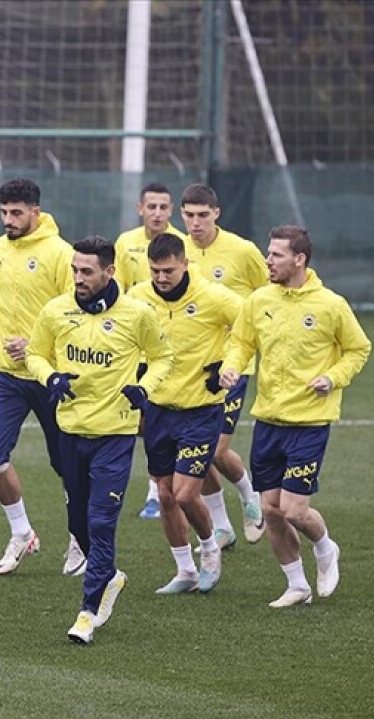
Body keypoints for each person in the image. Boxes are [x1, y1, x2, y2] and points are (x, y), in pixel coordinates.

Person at [25, 236, 173, 644]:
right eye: (75, 270)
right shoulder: (56, 310)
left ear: (109, 272)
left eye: (87, 271)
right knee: (77, 523)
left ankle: (88, 612)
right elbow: (35, 354)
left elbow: (162, 357)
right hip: (70, 431)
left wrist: (144, 388)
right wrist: (50, 377)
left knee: (101, 521)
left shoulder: (137, 314)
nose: (78, 278)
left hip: (115, 435)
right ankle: (109, 575)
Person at [220, 226, 371, 608]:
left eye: (276, 255)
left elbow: (358, 349)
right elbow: (241, 342)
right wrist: (232, 366)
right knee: (271, 510)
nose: (268, 261)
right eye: (268, 253)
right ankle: (297, 585)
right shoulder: (259, 300)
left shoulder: (331, 305)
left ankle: (325, 547)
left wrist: (332, 378)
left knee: (294, 510)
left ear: (299, 259)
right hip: (268, 421)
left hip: (309, 423)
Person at [128, 233, 242, 593]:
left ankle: (210, 548)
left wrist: (229, 363)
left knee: (184, 495)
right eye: (155, 271)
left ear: (185, 264)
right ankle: (185, 571)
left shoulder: (213, 297)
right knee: (164, 495)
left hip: (201, 411)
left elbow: (250, 329)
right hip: (158, 410)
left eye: (169, 271)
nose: (161, 278)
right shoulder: (138, 298)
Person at [0, 178, 79, 577]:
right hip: (8, 376)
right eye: (4, 212)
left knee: (67, 465)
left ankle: (79, 538)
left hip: (51, 376)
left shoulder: (61, 253)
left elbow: (75, 315)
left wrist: (36, 345)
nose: (9, 220)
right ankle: (22, 533)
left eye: (16, 213)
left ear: (36, 212)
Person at [181, 184, 267, 546]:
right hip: (190, 368)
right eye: (189, 215)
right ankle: (223, 526)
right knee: (197, 454)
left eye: (203, 215)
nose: (196, 223)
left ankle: (249, 495)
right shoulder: (178, 250)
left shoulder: (242, 251)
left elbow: (269, 295)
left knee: (214, 450)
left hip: (232, 365)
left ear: (217, 213)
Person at [114, 182, 191, 519]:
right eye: (152, 206)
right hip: (135, 343)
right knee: (143, 421)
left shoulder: (181, 245)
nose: (157, 213)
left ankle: (157, 492)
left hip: (168, 347)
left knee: (164, 420)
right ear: (140, 209)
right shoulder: (125, 243)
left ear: (170, 210)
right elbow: (119, 288)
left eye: (163, 207)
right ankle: (161, 485)